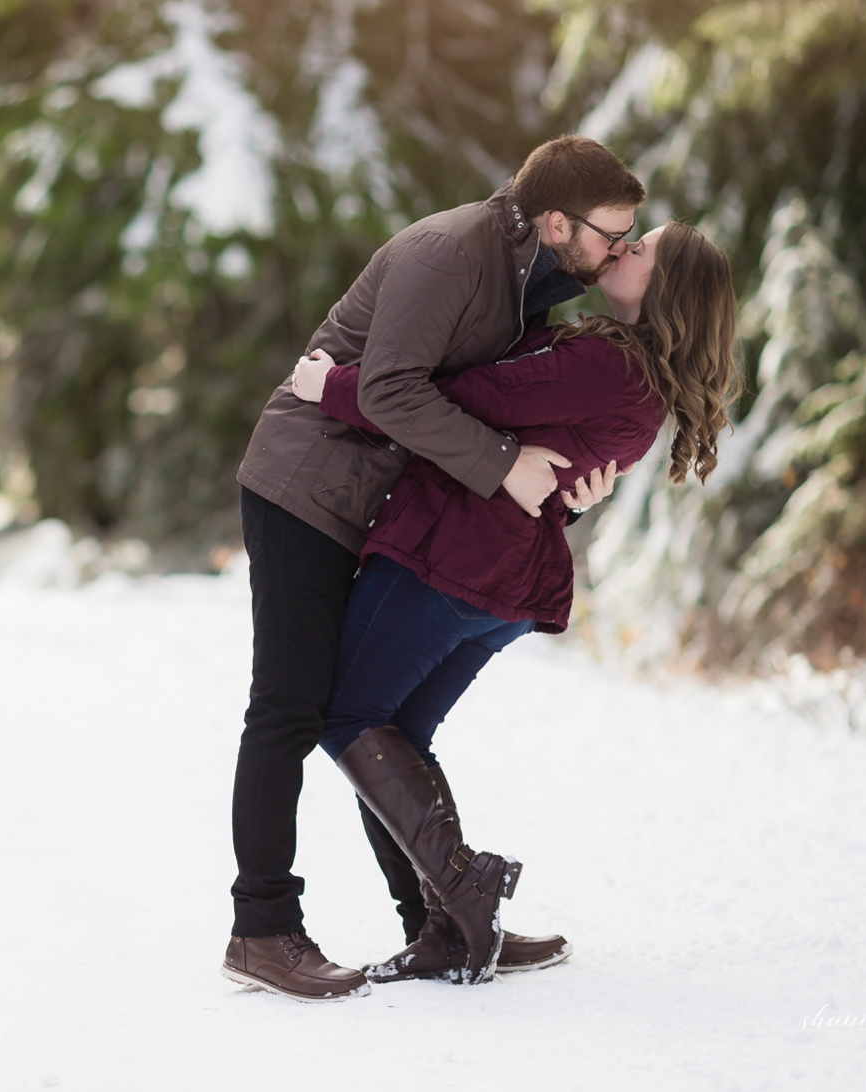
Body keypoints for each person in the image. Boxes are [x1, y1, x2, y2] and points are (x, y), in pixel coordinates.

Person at [222, 136, 647, 1003]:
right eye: (614, 232)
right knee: (292, 706)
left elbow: (511, 402)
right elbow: (389, 391)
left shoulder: (537, 277)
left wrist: (569, 485)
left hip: (375, 499)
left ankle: (443, 922)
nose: (620, 249)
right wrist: (503, 466)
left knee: (367, 710)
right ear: (558, 220)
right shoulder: (450, 253)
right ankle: (261, 928)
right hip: (307, 486)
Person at [293, 221, 741, 985]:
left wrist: (327, 387)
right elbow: (551, 461)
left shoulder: (607, 364)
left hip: (452, 556)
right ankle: (449, 928)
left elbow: (453, 400)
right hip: (499, 582)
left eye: (642, 252)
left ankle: (465, 890)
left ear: (667, 290)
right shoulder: (637, 381)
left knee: (344, 714)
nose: (625, 250)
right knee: (399, 731)